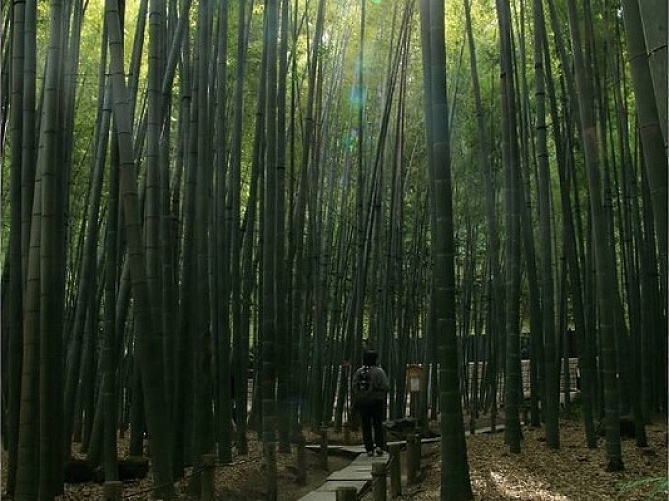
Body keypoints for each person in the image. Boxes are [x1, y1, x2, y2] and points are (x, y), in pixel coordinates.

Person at [352, 350, 389, 457]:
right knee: (378, 424)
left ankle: (369, 449)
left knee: (366, 425)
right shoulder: (379, 371)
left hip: (363, 402)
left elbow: (354, 386)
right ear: (375, 360)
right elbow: (386, 386)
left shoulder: (359, 372)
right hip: (377, 401)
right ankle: (379, 446)